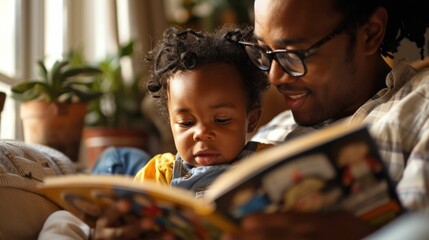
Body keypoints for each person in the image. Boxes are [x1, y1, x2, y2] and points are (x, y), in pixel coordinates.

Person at [220, 0, 429, 239]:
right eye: (263, 52)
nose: (274, 77)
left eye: (293, 54)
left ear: (370, 34)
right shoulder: (272, 132)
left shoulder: (420, 109)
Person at [39, 25, 270, 239]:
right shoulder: (161, 173)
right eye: (186, 123)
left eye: (221, 120)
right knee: (61, 219)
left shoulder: (267, 163)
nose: (201, 134)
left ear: (251, 121)